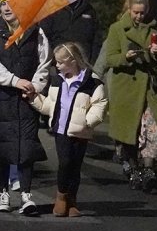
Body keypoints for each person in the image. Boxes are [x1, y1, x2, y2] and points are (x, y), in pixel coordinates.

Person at [0, 0, 50, 215]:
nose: (7, 8)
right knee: (2, 146)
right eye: (3, 3)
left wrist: (35, 86)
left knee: (26, 146)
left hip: (26, 97)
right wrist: (14, 80)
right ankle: (3, 193)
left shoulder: (36, 30)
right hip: (0, 97)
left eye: (12, 3)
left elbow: (44, 61)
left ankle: (26, 195)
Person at [30, 42, 107, 217]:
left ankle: (72, 200)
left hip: (81, 131)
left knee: (75, 165)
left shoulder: (91, 82)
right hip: (61, 129)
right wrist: (33, 98)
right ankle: (61, 196)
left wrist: (88, 121)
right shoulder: (57, 80)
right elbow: (50, 105)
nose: (57, 66)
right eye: (56, 62)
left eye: (60, 62)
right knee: (65, 163)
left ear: (72, 61)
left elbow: (100, 103)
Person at [105, 0, 157, 192]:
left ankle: (149, 171)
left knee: (151, 128)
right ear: (129, 9)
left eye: (142, 12)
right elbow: (110, 58)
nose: (139, 16)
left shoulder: (154, 30)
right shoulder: (117, 29)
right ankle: (134, 169)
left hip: (149, 88)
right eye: (135, 12)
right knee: (129, 132)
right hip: (127, 88)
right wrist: (126, 57)